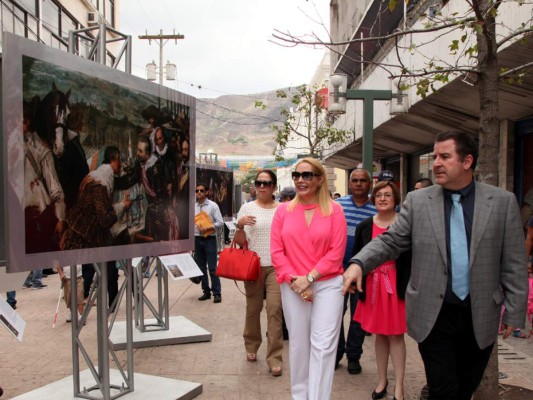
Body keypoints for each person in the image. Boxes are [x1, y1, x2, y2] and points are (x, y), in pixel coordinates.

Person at [343, 131, 527, 400]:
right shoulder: (418, 202)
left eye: (445, 156)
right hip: (433, 313)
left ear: (467, 161)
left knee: (465, 387)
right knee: (442, 389)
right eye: (434, 156)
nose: (436, 163)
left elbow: (513, 261)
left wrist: (515, 312)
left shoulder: (501, 202)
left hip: (479, 315)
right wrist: (359, 263)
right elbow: (391, 241)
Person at [271, 157, 347, 400]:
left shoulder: (335, 210)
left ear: (320, 179)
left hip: (327, 284)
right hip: (293, 285)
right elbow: (277, 251)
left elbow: (337, 253)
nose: (300, 180)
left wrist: (310, 278)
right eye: (297, 175)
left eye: (307, 175)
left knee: (323, 347)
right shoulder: (283, 211)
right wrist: (296, 281)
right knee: (299, 346)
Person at [352, 181, 410, 400]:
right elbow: (358, 257)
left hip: (396, 286)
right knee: (379, 336)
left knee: (395, 336)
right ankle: (382, 380)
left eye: (387, 195)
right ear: (373, 199)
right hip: (372, 286)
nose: (383, 198)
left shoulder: (404, 225)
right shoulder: (365, 225)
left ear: (395, 199)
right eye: (378, 195)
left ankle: (400, 387)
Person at [234, 170, 283, 377]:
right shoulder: (247, 208)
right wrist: (239, 225)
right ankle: (252, 345)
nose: (262, 186)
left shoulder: (283, 209)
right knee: (253, 310)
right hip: (253, 265)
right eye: (259, 183)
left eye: (267, 183)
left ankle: (274, 358)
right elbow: (238, 242)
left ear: (274, 186)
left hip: (276, 266)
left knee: (274, 310)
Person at [335, 168, 377, 374]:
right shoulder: (338, 205)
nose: (359, 184)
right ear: (350, 183)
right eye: (355, 180)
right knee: (335, 313)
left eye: (363, 180)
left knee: (358, 316)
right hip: (336, 271)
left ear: (369, 184)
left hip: (364, 272)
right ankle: (336, 353)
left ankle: (353, 355)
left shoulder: (378, 208)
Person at [194, 183, 224, 303]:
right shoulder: (194, 206)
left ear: (207, 192)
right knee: (201, 267)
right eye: (197, 191)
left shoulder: (213, 206)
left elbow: (220, 222)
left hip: (210, 239)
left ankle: (217, 293)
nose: (199, 192)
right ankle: (206, 291)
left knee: (212, 268)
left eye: (201, 190)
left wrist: (208, 228)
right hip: (197, 239)